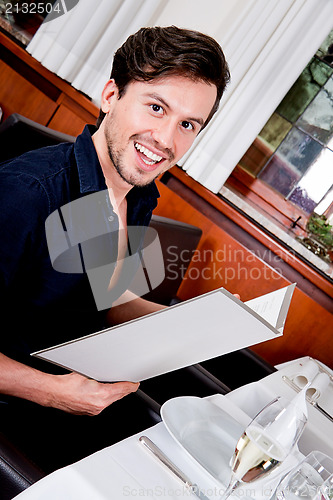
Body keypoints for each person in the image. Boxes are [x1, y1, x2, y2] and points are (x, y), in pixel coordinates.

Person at [0, 26, 230, 471]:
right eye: (156, 107)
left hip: (69, 405)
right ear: (110, 95)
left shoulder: (134, 194)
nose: (166, 139)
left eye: (187, 124)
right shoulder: (28, 194)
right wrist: (54, 392)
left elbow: (103, 297)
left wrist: (192, 322)